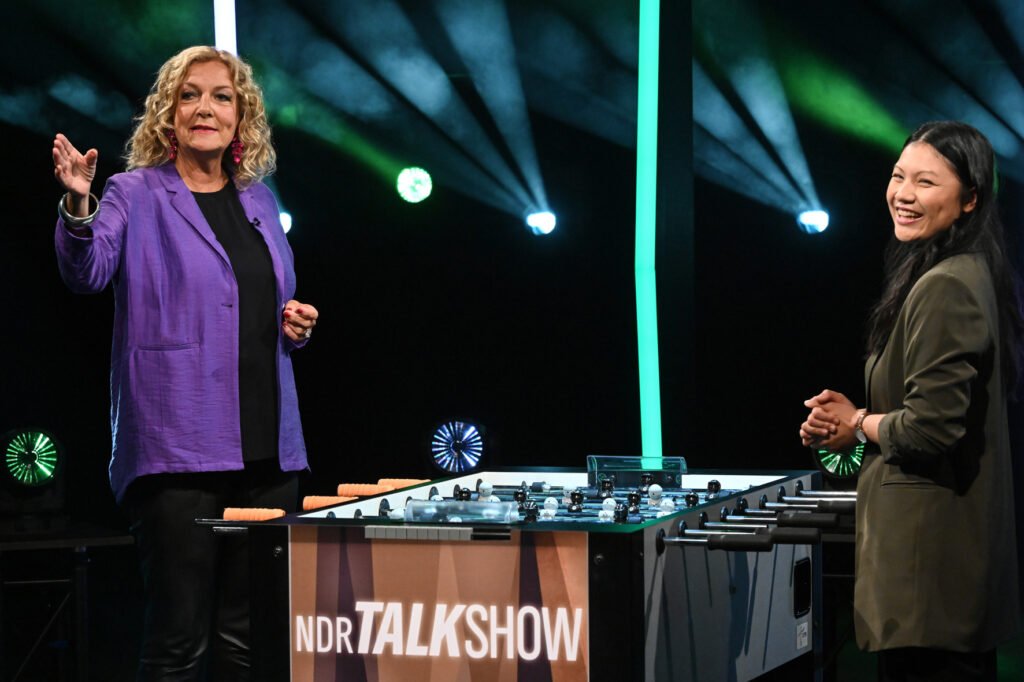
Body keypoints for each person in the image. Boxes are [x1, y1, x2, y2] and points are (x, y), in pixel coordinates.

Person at [51, 46, 318, 681]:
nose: (205, 108)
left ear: (240, 115)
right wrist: (79, 207)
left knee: (249, 642)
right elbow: (87, 273)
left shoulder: (259, 201)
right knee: (179, 643)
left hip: (268, 452)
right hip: (177, 449)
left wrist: (295, 324)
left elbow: (261, 302)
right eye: (189, 95)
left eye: (221, 97)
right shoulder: (134, 192)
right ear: (168, 115)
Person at [800, 121, 1023, 681]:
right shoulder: (953, 270)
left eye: (926, 182)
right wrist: (847, 426)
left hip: (932, 577)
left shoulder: (948, 284)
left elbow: (930, 428)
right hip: (938, 580)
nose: (903, 193)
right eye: (899, 176)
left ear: (970, 199)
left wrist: (859, 421)